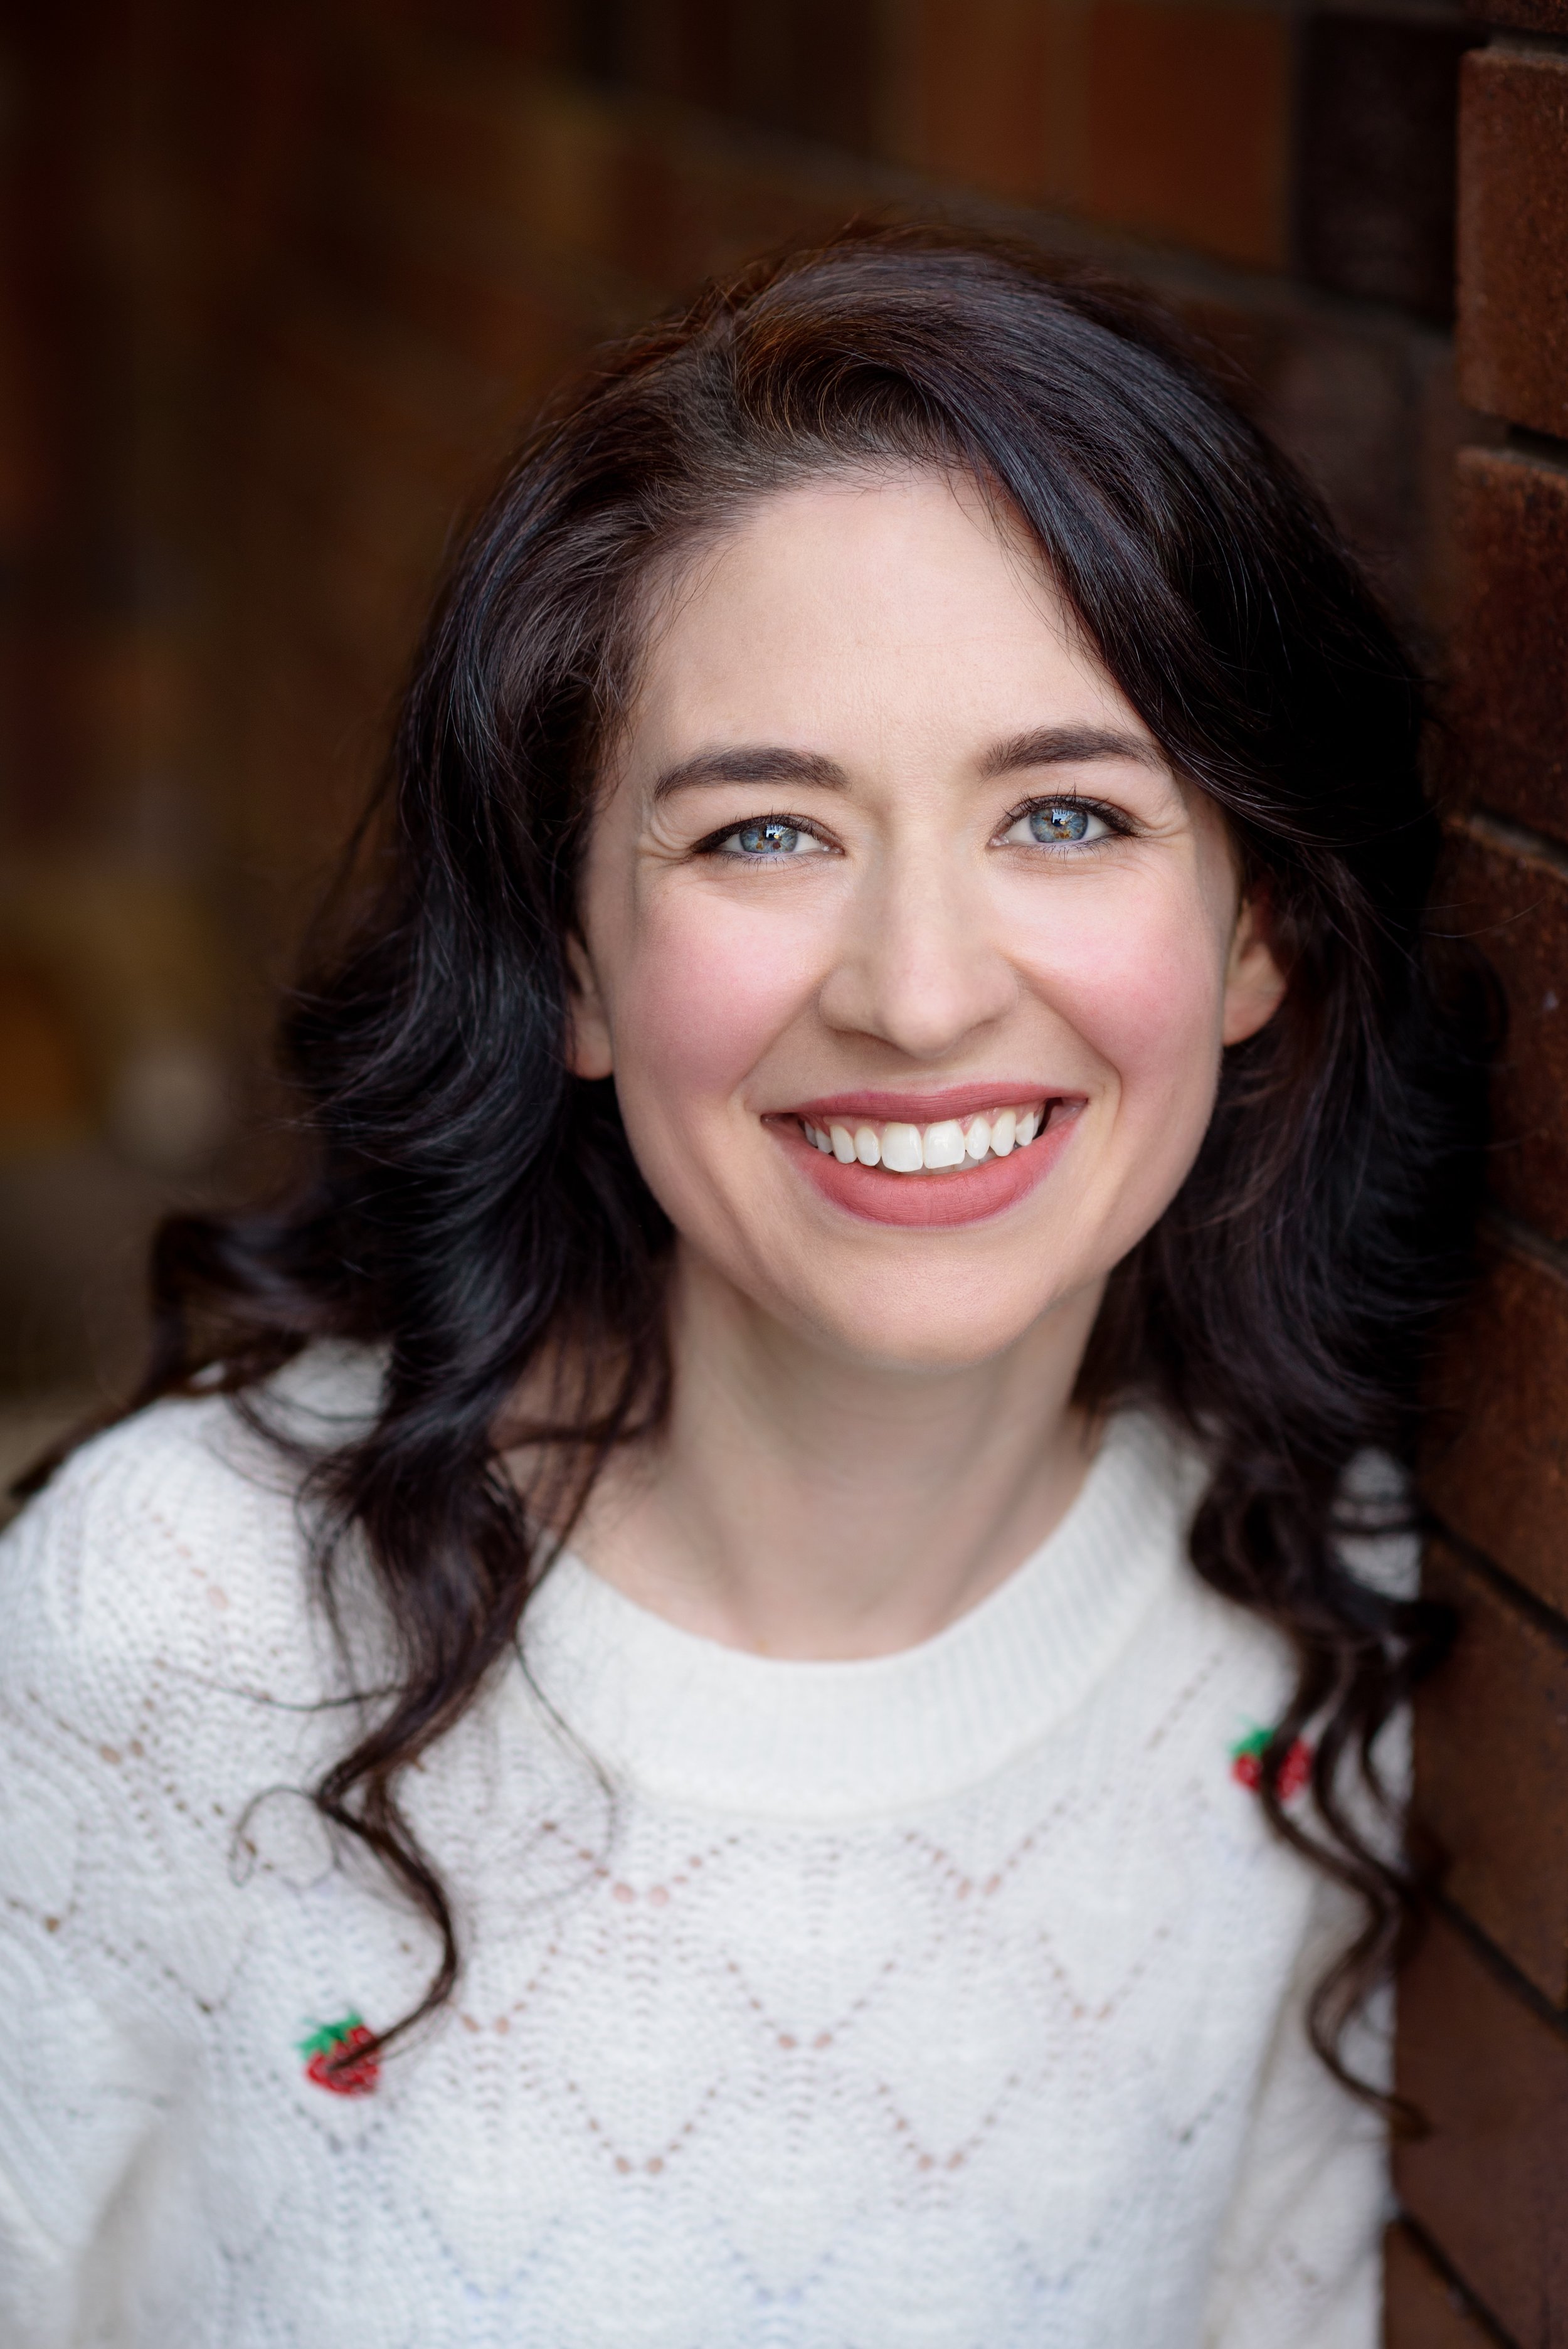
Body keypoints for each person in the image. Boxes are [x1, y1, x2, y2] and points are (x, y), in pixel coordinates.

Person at [0, 228, 1485, 2348]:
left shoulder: (1300, 1626)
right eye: (762, 835)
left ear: (1259, 930)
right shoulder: (188, 1619)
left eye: (1066, 815)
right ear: (574, 964)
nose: (918, 992)